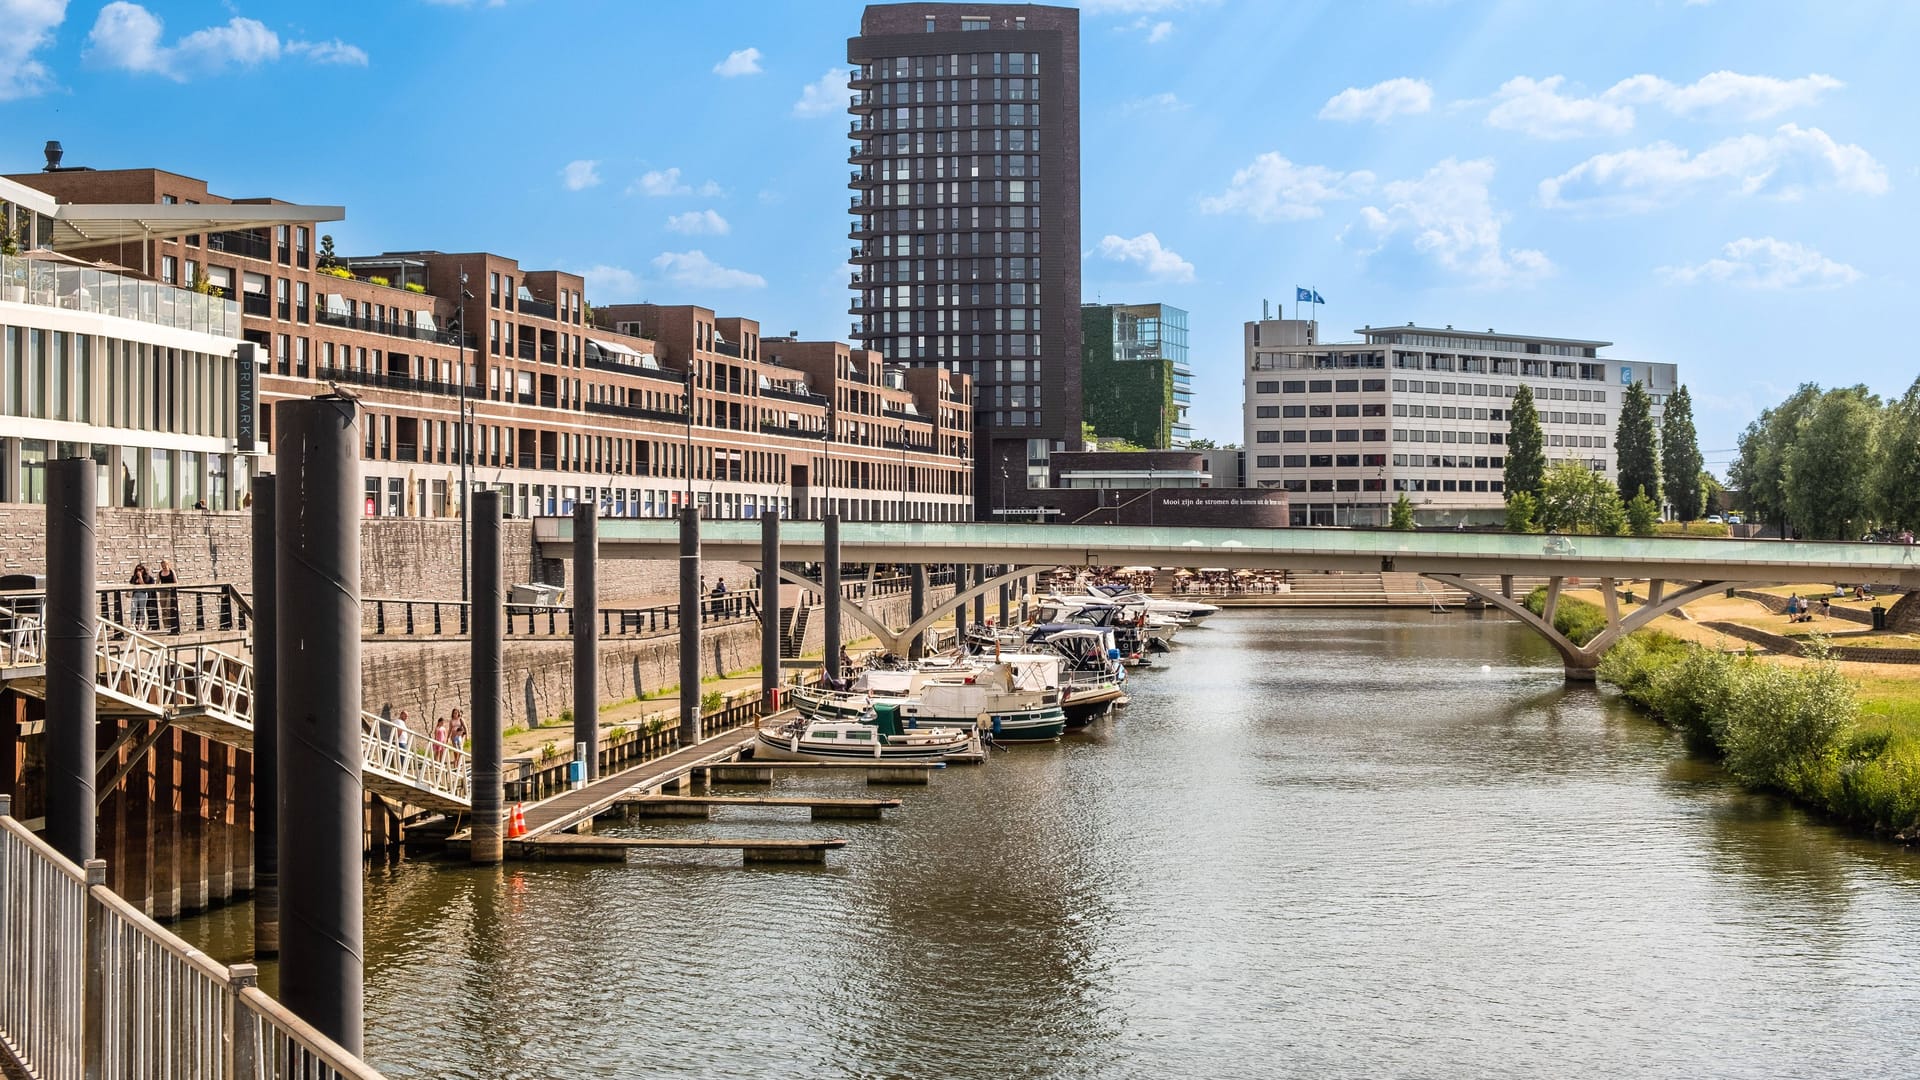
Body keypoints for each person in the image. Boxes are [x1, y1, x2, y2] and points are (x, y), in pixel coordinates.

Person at [128, 563, 154, 631]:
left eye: (140, 569)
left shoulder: (147, 577)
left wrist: (140, 577)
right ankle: (132, 624)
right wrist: (128, 592)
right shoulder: (134, 577)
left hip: (143, 593)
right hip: (135, 594)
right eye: (137, 570)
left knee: (142, 609)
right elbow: (131, 584)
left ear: (143, 570)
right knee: (133, 609)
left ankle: (143, 625)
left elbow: (144, 586)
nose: (138, 571)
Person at [156, 559, 178, 633]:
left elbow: (176, 582)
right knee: (164, 610)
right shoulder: (160, 573)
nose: (164, 566)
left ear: (168, 564)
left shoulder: (172, 572)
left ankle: (172, 625)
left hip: (170, 592)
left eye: (165, 565)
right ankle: (166, 626)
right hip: (163, 592)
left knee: (169, 608)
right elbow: (157, 582)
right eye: (162, 565)